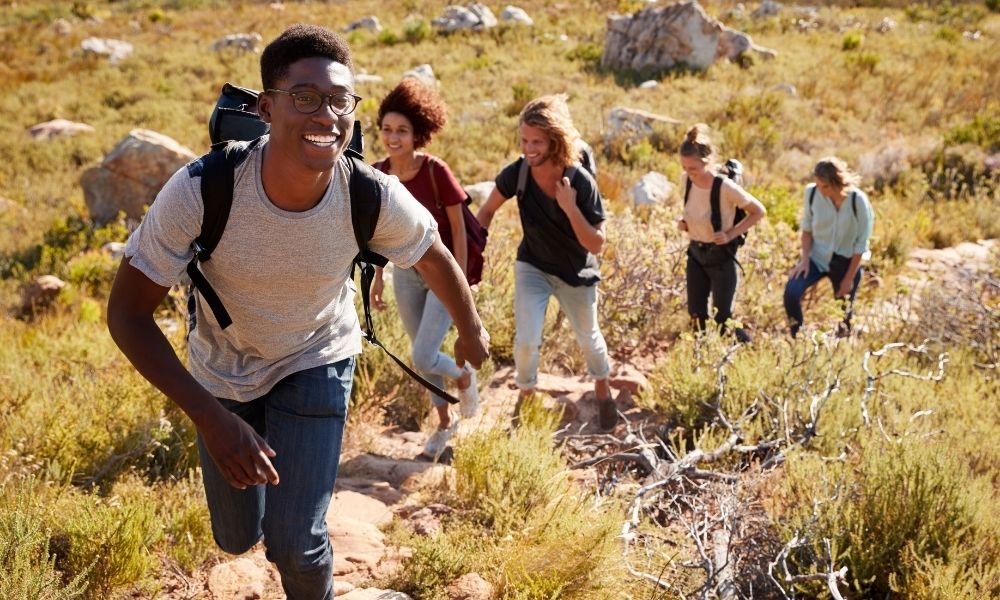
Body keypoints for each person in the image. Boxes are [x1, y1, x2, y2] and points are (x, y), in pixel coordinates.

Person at [106, 24, 488, 600]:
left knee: (297, 541)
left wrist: (472, 330)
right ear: (266, 107)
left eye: (339, 100)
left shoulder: (368, 193)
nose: (326, 116)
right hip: (223, 373)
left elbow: (432, 255)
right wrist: (211, 418)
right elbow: (127, 315)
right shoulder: (201, 191)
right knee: (236, 538)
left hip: (317, 356)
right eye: (305, 98)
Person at [476, 94, 617, 431]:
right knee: (526, 340)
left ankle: (603, 389)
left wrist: (570, 207)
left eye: (537, 142)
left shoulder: (580, 181)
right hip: (533, 266)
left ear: (555, 141)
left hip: (576, 274)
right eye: (524, 140)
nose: (528, 148)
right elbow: (487, 210)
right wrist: (472, 249)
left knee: (589, 337)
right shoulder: (519, 173)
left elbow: (596, 245)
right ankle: (525, 400)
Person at [370, 77, 480, 458]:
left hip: (442, 275)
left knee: (422, 355)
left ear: (418, 133)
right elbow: (376, 233)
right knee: (423, 353)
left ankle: (464, 376)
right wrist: (377, 278)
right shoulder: (377, 174)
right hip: (404, 273)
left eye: (402, 130)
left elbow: (461, 231)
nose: (393, 137)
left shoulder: (436, 171)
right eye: (387, 129)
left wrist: (460, 281)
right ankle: (445, 425)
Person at [677, 124, 766, 342]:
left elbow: (758, 211)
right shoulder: (686, 180)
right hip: (696, 255)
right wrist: (685, 223)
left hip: (721, 258)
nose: (689, 173)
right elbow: (694, 210)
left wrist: (731, 234)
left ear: (707, 162)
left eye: (693, 168)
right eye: (685, 167)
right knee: (696, 316)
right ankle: (700, 362)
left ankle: (748, 351)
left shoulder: (725, 187)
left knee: (723, 319)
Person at [783, 156, 874, 338]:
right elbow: (807, 230)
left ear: (838, 182)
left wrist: (848, 279)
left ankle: (843, 347)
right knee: (791, 292)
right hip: (817, 257)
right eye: (817, 184)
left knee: (843, 315)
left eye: (824, 186)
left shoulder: (858, 201)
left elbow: (861, 245)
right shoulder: (811, 193)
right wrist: (804, 260)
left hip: (847, 262)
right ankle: (799, 338)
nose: (820, 189)